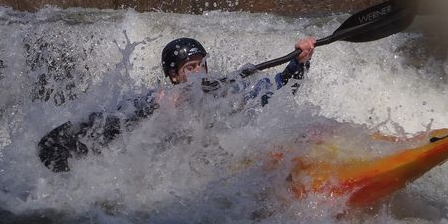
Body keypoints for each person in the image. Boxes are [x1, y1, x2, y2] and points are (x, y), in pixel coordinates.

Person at [37, 36, 316, 172]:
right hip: (171, 175)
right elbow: (111, 121)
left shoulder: (224, 92)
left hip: (216, 166)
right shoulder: (153, 99)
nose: (199, 73)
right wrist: (152, 108)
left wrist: (299, 63)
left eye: (201, 65)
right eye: (190, 68)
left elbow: (276, 91)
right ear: (173, 76)